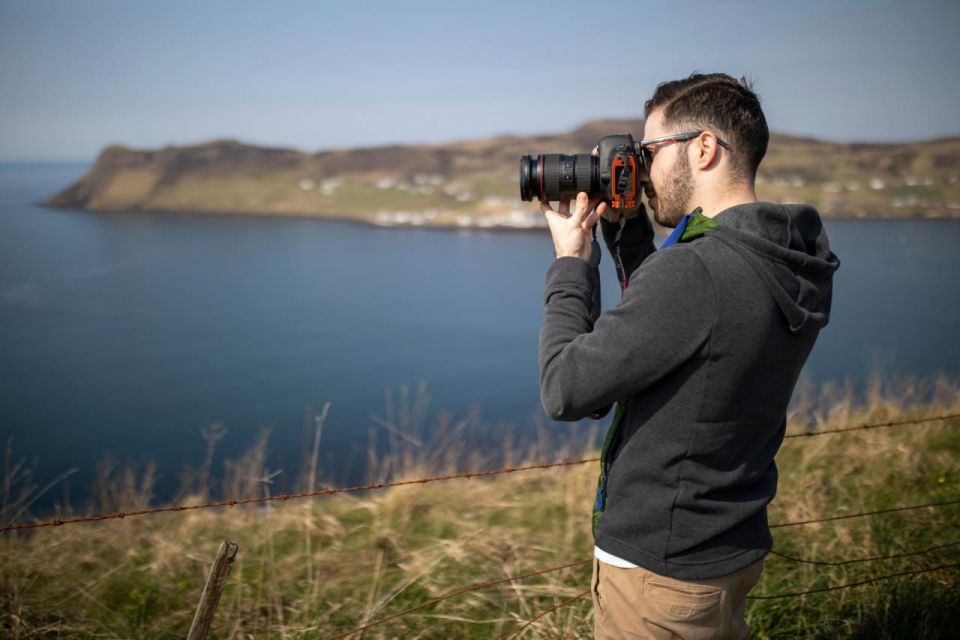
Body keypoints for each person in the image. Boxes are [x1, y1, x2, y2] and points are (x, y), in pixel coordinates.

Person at [538, 73, 840, 639]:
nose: (644, 171)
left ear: (703, 148)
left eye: (649, 153)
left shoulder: (697, 271)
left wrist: (571, 264)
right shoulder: (785, 255)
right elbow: (685, 323)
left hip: (659, 573)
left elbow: (564, 388)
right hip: (727, 543)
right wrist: (627, 235)